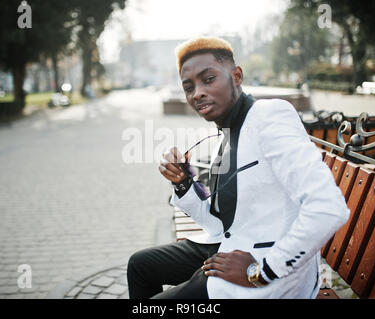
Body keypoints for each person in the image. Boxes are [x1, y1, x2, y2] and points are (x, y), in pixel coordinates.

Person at [127, 37, 350, 299]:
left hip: (270, 275)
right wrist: (183, 182)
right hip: (229, 244)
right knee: (140, 266)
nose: (197, 92)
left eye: (208, 79)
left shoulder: (269, 117)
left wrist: (261, 271)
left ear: (237, 76)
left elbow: (328, 208)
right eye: (189, 87)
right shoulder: (226, 136)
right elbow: (220, 223)